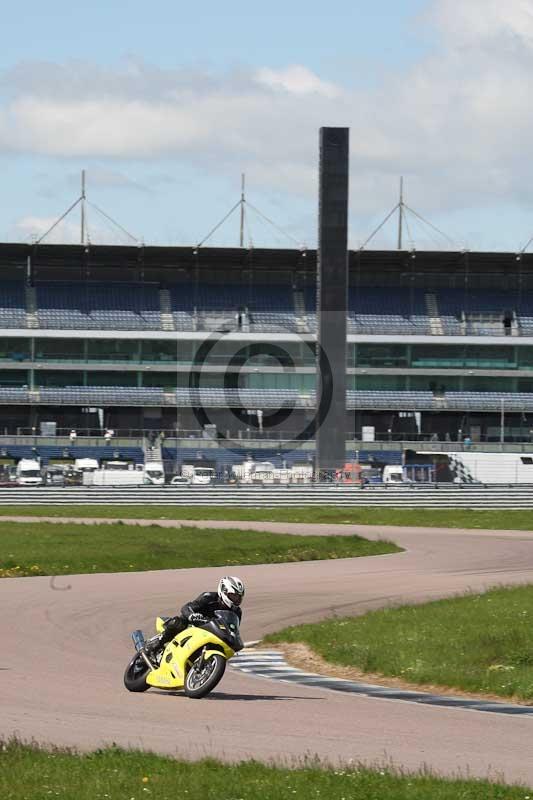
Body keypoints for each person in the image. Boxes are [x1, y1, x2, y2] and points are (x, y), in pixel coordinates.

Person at [144, 576, 245, 659]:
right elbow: (187, 607)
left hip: (212, 633)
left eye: (238, 597)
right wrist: (192, 615)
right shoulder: (208, 597)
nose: (236, 600)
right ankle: (156, 644)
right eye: (233, 596)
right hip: (193, 624)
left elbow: (233, 628)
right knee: (178, 622)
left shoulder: (237, 612)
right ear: (223, 590)